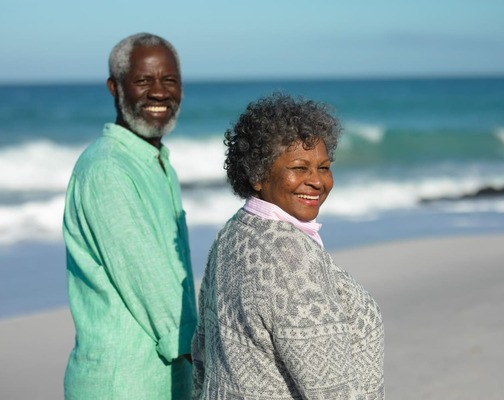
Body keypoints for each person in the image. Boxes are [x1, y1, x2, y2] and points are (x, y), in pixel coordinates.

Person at [191, 93, 385, 399]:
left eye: (323, 167)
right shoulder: (290, 257)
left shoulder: (234, 232)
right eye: (299, 167)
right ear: (257, 174)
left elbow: (202, 351)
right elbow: (331, 389)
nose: (317, 181)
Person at [63, 33, 197, 399]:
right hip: (124, 382)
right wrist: (209, 359)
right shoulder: (107, 168)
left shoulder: (156, 162)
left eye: (169, 80)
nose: (159, 92)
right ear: (114, 87)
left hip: (164, 378)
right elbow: (151, 280)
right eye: (143, 80)